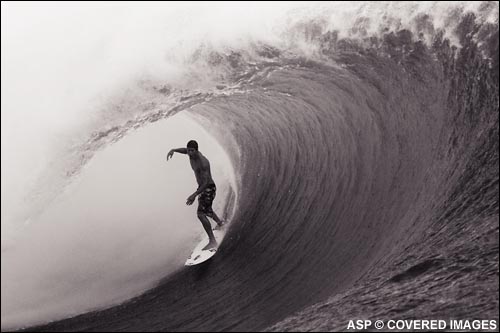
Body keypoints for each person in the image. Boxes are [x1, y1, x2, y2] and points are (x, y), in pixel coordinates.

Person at [167, 140, 225, 250]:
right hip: (202, 188)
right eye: (188, 151)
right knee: (207, 209)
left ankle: (212, 241)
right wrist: (173, 150)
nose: (190, 153)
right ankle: (220, 223)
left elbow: (207, 182)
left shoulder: (203, 162)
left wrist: (194, 195)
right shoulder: (189, 154)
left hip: (208, 188)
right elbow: (184, 150)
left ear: (196, 150)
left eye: (192, 151)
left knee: (201, 214)